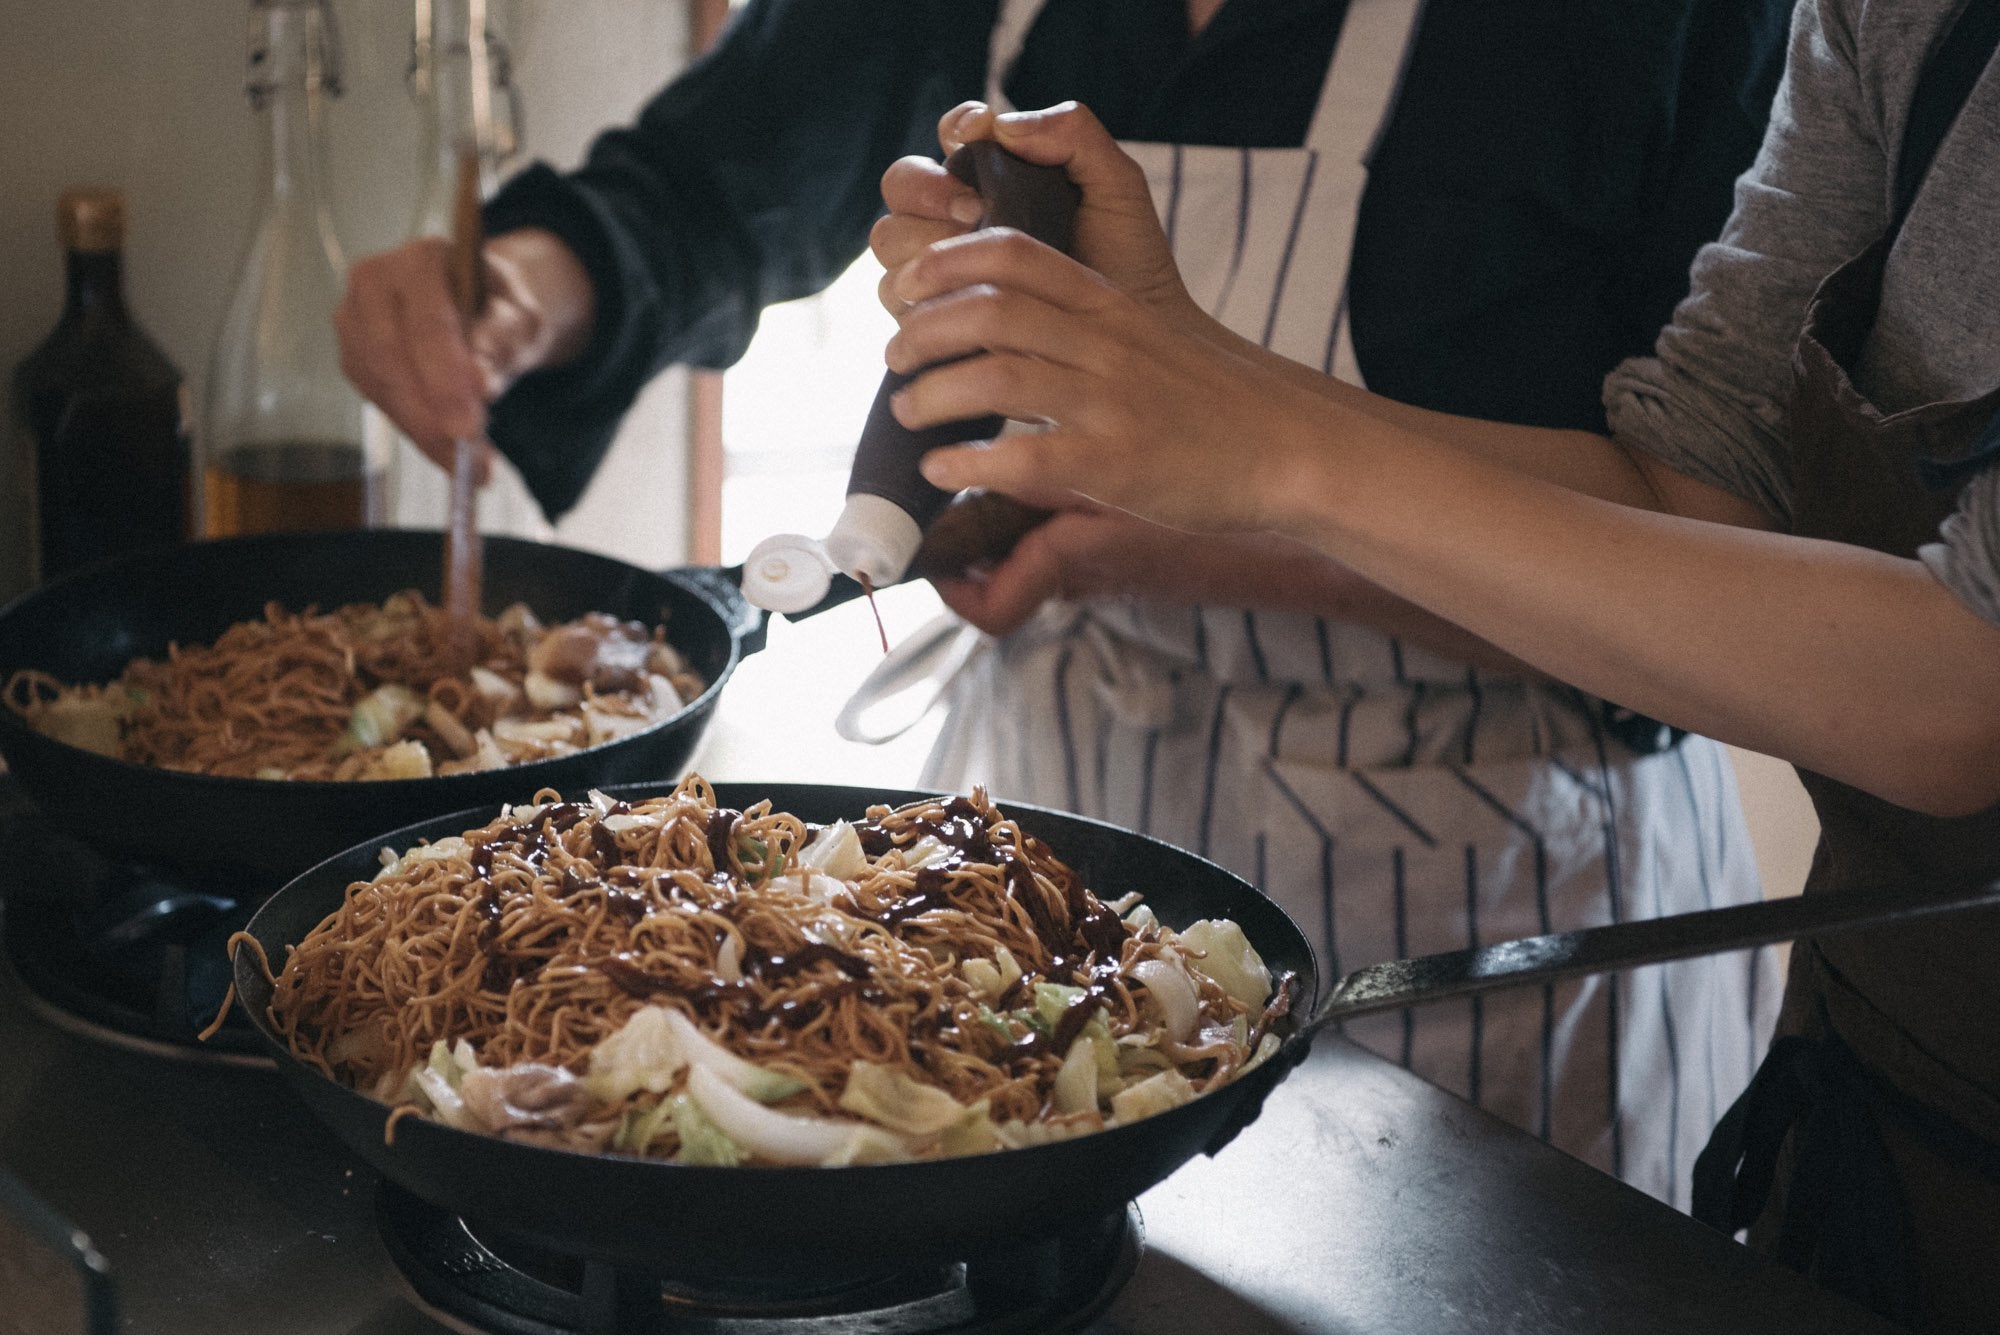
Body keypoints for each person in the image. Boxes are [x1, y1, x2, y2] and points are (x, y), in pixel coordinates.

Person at [335, 0, 1793, 1208]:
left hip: (1494, 887)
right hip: (1070, 833)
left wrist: (1151, 531)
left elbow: (1720, 555)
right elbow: (711, 183)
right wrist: (529, 285)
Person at [873, 0, 2000, 1327]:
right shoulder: (1881, 17)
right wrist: (1198, 377)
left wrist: (1265, 444)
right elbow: (1695, 492)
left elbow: (1963, 695)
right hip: (1876, 1081)